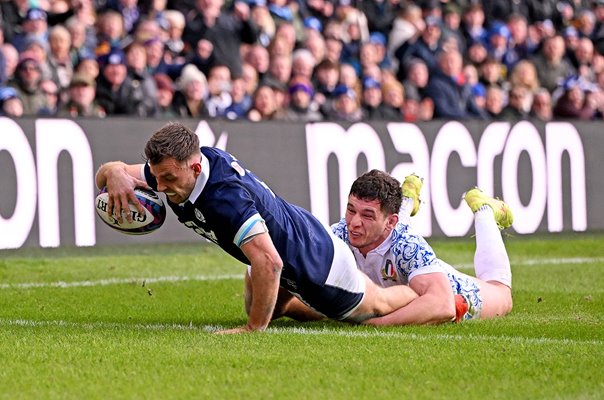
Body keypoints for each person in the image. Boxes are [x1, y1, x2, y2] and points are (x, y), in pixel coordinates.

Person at [95, 122, 418, 334]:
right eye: (156, 176)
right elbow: (108, 175)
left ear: (194, 168)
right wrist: (115, 173)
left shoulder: (224, 198)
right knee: (265, 301)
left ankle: (428, 292)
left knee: (373, 308)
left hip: (317, 263)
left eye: (168, 179)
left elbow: (270, 262)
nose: (160, 187)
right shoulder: (177, 168)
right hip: (290, 236)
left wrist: (253, 330)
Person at [332, 170, 514, 324]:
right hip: (408, 269)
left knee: (502, 294)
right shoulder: (338, 234)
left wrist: (377, 324)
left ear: (391, 221)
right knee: (384, 234)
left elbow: (443, 305)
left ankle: (484, 210)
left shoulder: (407, 244)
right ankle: (407, 200)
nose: (354, 222)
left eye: (367, 215)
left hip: (455, 290)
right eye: (351, 210)